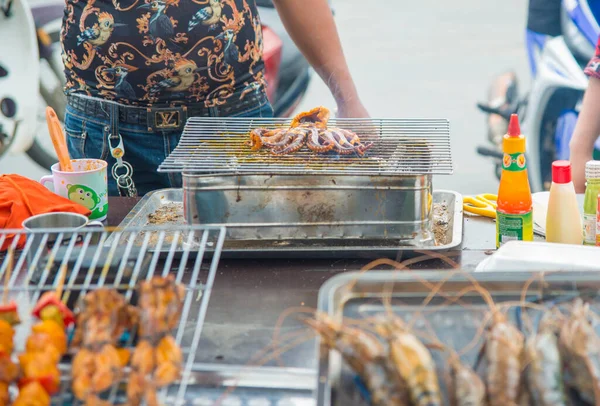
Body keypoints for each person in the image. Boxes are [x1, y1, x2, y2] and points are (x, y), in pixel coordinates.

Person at [61, 0, 368, 196]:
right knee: (111, 276)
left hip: (234, 120)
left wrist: (348, 98)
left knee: (247, 279)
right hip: (106, 131)